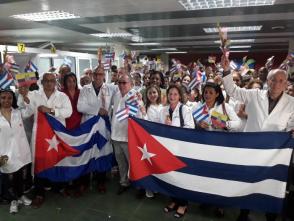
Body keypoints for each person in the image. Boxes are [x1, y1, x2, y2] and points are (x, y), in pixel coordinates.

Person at [221, 55, 294, 221]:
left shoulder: (292, 103)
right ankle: (244, 213)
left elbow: (291, 125)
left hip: (274, 154)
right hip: (251, 150)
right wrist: (226, 70)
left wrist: (291, 131)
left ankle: (271, 215)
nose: (277, 84)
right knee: (248, 182)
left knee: (271, 185)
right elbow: (232, 91)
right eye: (274, 80)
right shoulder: (254, 95)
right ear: (268, 81)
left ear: (286, 83)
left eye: (281, 81)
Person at [18, 72, 72, 209]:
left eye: (52, 81)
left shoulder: (62, 96)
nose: (49, 83)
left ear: (56, 82)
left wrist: (51, 111)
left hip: (57, 136)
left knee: (57, 160)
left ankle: (58, 187)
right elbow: (25, 113)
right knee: (40, 161)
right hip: (40, 137)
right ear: (42, 82)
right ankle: (39, 193)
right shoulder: (35, 95)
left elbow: (68, 112)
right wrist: (23, 96)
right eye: (46, 81)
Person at [77, 66, 117, 193]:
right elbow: (80, 107)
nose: (98, 76)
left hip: (102, 127)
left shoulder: (110, 88)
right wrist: (97, 110)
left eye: (101, 74)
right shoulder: (85, 89)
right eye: (96, 74)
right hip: (88, 127)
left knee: (102, 153)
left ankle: (101, 181)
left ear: (104, 75)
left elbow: (121, 97)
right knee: (87, 154)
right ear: (92, 75)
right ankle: (84, 182)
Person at [160, 85, 194, 218]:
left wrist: (172, 127)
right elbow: (157, 127)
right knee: (171, 176)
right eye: (170, 94)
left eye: (175, 94)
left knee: (181, 177)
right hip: (168, 148)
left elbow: (190, 128)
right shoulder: (163, 110)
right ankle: (174, 200)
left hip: (181, 149)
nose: (172, 96)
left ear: (179, 96)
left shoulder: (185, 109)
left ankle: (183, 204)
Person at [0, 89, 32, 213]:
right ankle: (13, 200)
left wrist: (26, 99)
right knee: (8, 178)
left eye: (9, 98)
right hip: (5, 153)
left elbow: (29, 111)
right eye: (3, 97)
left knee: (20, 176)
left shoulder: (17, 112)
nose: (6, 100)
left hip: (20, 149)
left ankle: (21, 196)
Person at [111, 73, 143, 195]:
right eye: (119, 82)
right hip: (115, 135)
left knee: (133, 163)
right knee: (121, 163)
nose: (121, 85)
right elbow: (114, 114)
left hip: (128, 136)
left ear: (131, 84)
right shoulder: (116, 95)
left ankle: (139, 185)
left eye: (124, 82)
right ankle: (123, 182)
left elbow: (139, 117)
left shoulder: (135, 97)